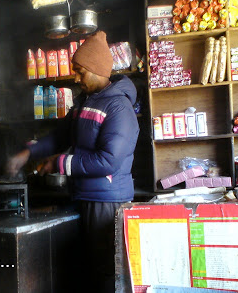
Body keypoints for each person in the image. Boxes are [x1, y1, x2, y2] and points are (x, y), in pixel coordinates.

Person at [7, 30, 139, 292]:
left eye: (80, 71)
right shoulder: (84, 103)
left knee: (105, 272)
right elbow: (60, 136)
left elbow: (108, 161)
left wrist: (59, 163)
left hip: (107, 202)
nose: (75, 78)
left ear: (97, 69)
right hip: (83, 197)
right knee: (84, 270)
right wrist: (29, 152)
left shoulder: (118, 108)